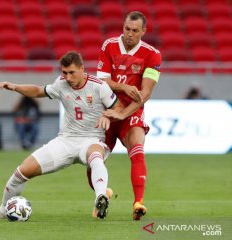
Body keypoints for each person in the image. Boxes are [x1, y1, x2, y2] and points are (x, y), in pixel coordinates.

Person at [0, 51, 125, 220]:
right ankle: (3, 211)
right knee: (22, 172)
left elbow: (119, 107)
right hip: (66, 140)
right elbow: (38, 91)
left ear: (82, 69)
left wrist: (107, 115)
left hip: (92, 138)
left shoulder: (99, 86)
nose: (68, 77)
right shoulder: (61, 84)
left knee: (96, 157)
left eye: (72, 72)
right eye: (64, 72)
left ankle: (101, 197)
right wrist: (15, 87)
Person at [86, 11, 162, 220]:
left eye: (135, 31)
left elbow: (145, 93)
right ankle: (104, 193)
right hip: (107, 111)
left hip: (131, 112)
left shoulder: (152, 54)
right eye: (127, 29)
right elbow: (102, 80)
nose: (129, 34)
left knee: (137, 148)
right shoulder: (109, 45)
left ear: (143, 32)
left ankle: (138, 202)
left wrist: (124, 114)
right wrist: (123, 87)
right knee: (93, 160)